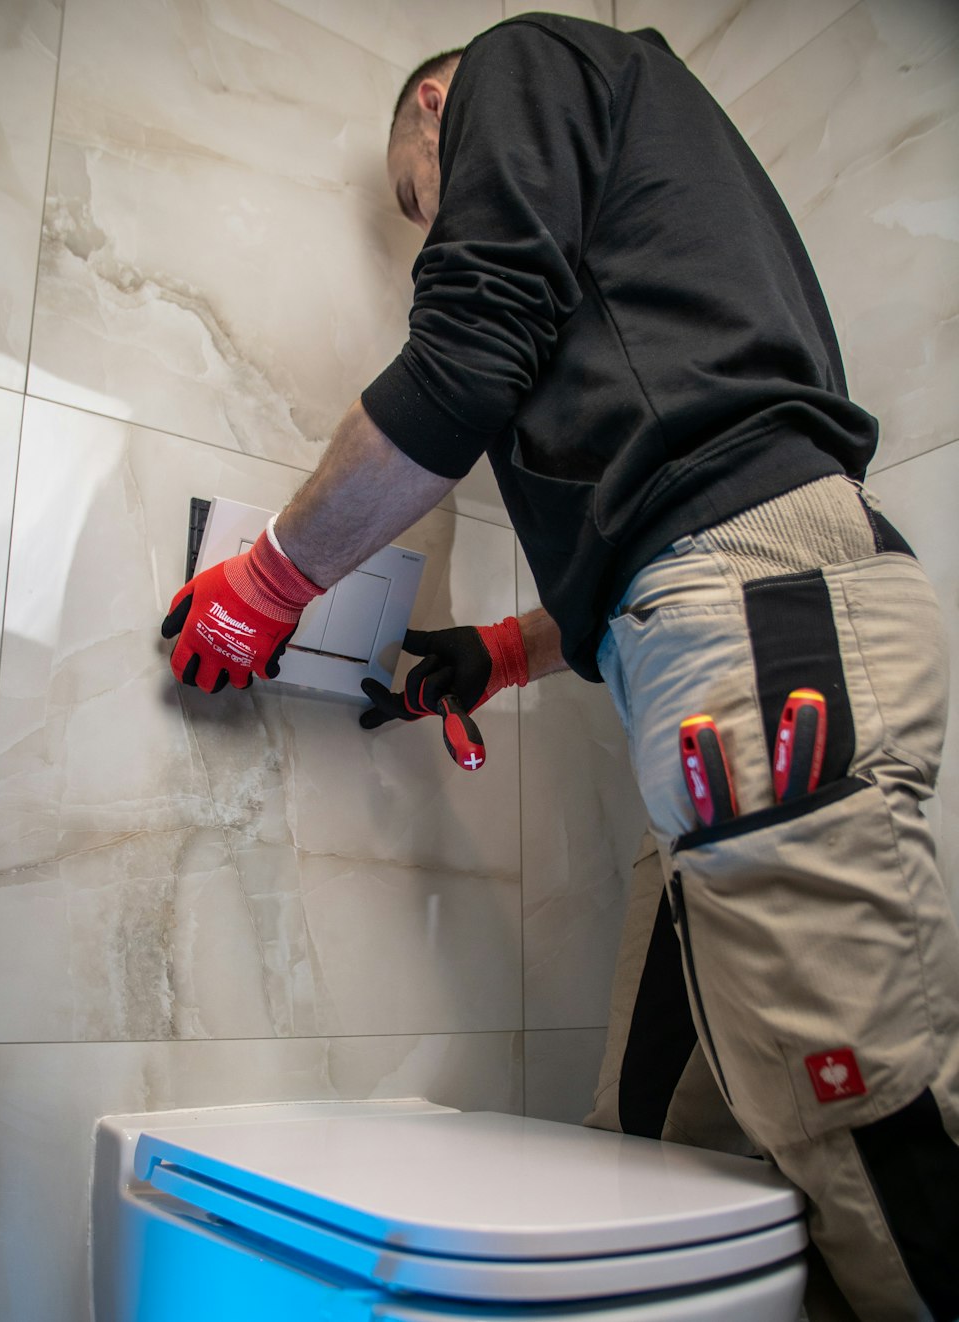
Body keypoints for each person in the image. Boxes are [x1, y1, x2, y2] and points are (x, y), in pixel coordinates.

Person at [160, 13, 959, 1320]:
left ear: (437, 108)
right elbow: (678, 476)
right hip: (742, 642)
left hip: (767, 636)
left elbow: (472, 351)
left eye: (429, 203)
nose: (443, 223)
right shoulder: (652, 182)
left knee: (872, 1129)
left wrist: (269, 582)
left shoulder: (522, 62)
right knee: (657, 1142)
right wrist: (508, 651)